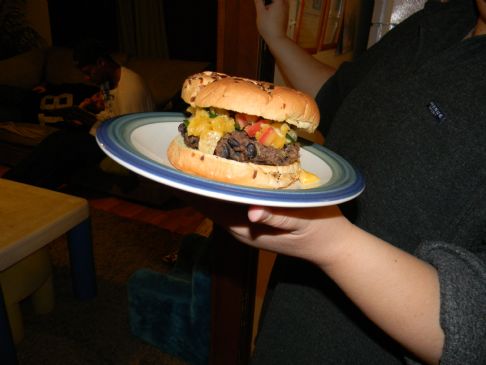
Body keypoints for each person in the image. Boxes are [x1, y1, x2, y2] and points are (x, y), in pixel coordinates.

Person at [184, 0, 486, 364]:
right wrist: (274, 36)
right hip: (288, 319)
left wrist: (329, 242)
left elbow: (475, 332)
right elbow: (339, 97)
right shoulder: (438, 19)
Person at [3, 39, 155, 190]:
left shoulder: (130, 88)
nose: (87, 79)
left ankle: (24, 188)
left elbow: (128, 136)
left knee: (65, 147)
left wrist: (92, 123)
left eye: (89, 72)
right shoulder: (108, 82)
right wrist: (87, 116)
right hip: (104, 135)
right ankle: (12, 184)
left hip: (119, 146)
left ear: (101, 63)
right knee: (56, 139)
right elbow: (112, 115)